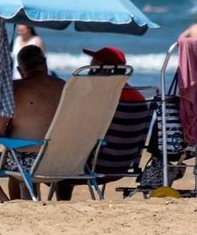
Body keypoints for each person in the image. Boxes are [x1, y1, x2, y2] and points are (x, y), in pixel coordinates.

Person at [0, 44, 64, 202]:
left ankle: (4, 203)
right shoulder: (64, 87)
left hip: (31, 164)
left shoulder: (14, 89)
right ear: (44, 63)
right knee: (14, 166)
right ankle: (18, 203)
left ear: (19, 69)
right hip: (64, 162)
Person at [50, 46, 144, 202]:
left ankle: (62, 202)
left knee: (56, 158)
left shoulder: (100, 99)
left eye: (93, 69)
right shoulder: (139, 96)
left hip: (97, 167)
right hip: (122, 164)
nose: (89, 73)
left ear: (107, 71)